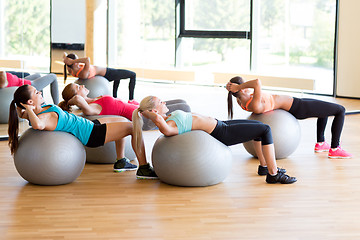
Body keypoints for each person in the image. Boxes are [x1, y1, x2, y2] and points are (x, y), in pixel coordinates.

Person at [132, 96, 297, 184]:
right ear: (154, 110)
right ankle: (273, 174)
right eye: (161, 102)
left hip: (220, 124)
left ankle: (264, 167)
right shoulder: (167, 125)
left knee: (258, 127)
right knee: (265, 129)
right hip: (221, 133)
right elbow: (166, 131)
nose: (165, 102)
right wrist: (154, 117)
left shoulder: (169, 117)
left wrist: (155, 114)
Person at [8, 84, 157, 179]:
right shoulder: (44, 117)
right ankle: (144, 168)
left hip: (89, 125)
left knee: (121, 120)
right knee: (132, 127)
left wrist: (26, 110)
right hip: (91, 134)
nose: (40, 92)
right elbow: (38, 125)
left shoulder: (40, 109)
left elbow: (24, 114)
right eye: (36, 92)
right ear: (29, 102)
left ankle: (121, 161)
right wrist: (28, 110)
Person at [226, 76, 352, 159]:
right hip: (298, 107)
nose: (247, 87)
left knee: (323, 109)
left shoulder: (240, 101)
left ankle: (321, 143)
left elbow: (246, 89)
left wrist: (236, 88)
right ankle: (335, 148)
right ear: (240, 90)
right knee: (340, 110)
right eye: (244, 86)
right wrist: (238, 87)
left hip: (297, 102)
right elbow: (257, 82)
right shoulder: (254, 103)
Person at [59, 82, 191, 129]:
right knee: (185, 108)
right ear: (76, 97)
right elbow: (81, 103)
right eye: (78, 87)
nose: (82, 85)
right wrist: (72, 101)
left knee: (182, 102)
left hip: (142, 108)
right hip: (144, 118)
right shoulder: (92, 107)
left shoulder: (94, 100)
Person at [63, 53, 137, 101]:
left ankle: (115, 98)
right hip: (107, 73)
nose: (79, 61)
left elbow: (64, 55)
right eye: (77, 60)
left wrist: (67, 59)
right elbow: (87, 59)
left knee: (118, 78)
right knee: (133, 75)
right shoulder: (83, 73)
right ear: (74, 63)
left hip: (104, 75)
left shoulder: (71, 70)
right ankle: (131, 99)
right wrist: (72, 61)